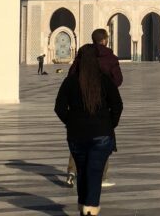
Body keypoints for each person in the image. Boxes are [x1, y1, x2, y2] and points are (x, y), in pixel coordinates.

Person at [55, 43, 123, 216]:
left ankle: (83, 205)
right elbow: (117, 105)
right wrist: (110, 124)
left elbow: (59, 108)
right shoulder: (105, 80)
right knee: (94, 172)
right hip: (101, 135)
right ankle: (90, 209)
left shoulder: (70, 81)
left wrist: (71, 122)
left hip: (77, 135)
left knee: (83, 171)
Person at [65, 29, 123, 189]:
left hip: (80, 104)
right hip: (101, 105)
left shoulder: (83, 54)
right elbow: (118, 80)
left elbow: (71, 76)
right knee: (102, 138)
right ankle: (101, 177)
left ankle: (72, 171)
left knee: (78, 137)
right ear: (104, 40)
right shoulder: (109, 57)